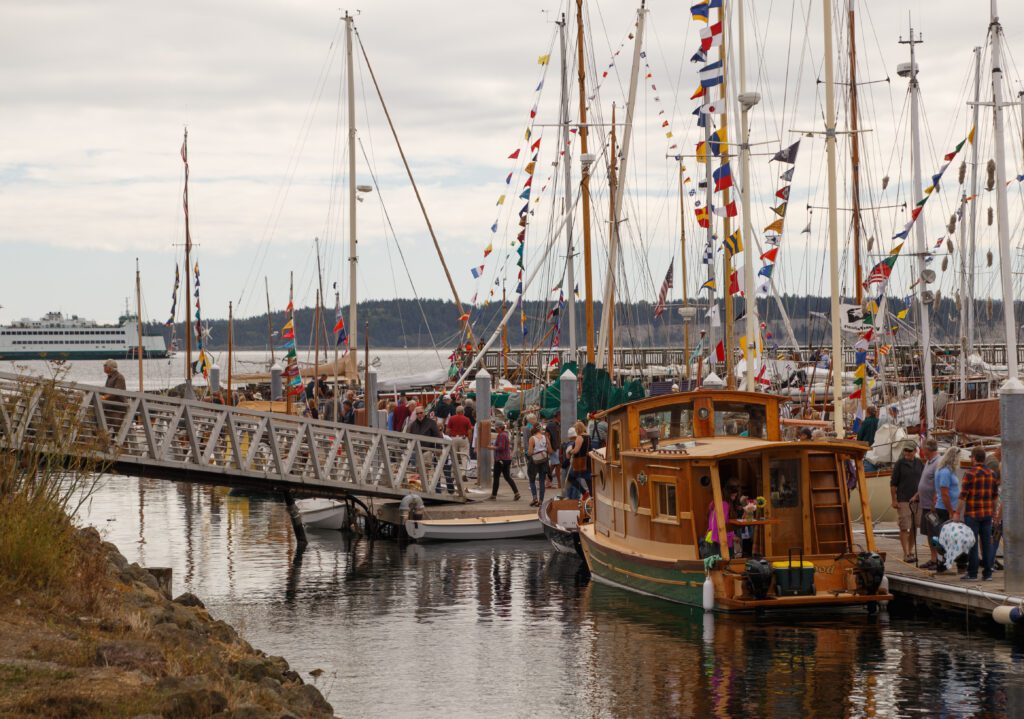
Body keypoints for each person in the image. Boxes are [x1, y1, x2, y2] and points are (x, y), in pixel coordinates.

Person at [957, 447, 1000, 582]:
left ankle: (972, 573)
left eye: (971, 457)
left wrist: (956, 512)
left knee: (973, 543)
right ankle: (987, 574)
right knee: (987, 543)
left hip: (972, 514)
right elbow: (995, 496)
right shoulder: (992, 473)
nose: (970, 459)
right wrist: (994, 512)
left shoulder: (969, 474)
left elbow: (963, 496)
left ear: (974, 458)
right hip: (987, 513)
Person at [890, 444, 924, 563]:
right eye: (906, 451)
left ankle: (910, 551)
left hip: (918, 499)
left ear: (915, 451)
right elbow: (893, 483)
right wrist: (894, 500)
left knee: (916, 526)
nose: (907, 453)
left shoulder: (919, 463)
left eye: (910, 451)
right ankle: (905, 553)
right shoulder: (899, 464)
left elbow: (924, 480)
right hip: (903, 499)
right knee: (905, 526)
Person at [911, 438, 940, 569]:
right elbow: (925, 482)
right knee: (928, 533)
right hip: (925, 505)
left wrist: (935, 501)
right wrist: (917, 495)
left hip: (932, 507)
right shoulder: (929, 462)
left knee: (935, 534)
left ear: (928, 449)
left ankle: (939, 559)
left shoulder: (938, 462)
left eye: (923, 448)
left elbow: (938, 484)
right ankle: (933, 558)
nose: (922, 450)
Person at [933, 447, 961, 565]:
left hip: (948, 507)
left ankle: (945, 561)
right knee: (945, 536)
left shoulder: (948, 470)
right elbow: (944, 493)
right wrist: (951, 511)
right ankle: (942, 562)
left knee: (947, 536)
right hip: (945, 508)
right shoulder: (945, 472)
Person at [489, 421, 520, 501]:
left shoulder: (502, 435)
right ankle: (516, 493)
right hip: (506, 459)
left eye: (496, 428)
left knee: (496, 477)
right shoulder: (504, 434)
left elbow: (501, 447)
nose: (495, 429)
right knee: (507, 477)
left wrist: (492, 447)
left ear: (500, 428)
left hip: (500, 459)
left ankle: (493, 495)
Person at [101, 359, 127, 438]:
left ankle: (122, 447)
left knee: (118, 431)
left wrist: (104, 397)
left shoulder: (119, 377)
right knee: (104, 428)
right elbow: (107, 391)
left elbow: (116, 392)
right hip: (109, 408)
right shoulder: (109, 377)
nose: (103, 367)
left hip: (117, 409)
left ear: (110, 368)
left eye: (105, 366)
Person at [526, 423, 551, 507]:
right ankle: (541, 501)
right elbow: (550, 450)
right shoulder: (545, 438)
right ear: (540, 429)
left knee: (532, 479)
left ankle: (535, 498)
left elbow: (529, 452)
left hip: (534, 461)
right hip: (544, 460)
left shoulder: (532, 438)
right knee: (542, 481)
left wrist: (535, 452)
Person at [545, 414, 561, 490]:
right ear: (557, 416)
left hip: (556, 447)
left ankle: (548, 481)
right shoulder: (552, 424)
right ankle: (559, 483)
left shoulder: (556, 424)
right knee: (557, 465)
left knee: (554, 465)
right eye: (560, 416)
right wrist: (550, 448)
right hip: (554, 448)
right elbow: (547, 436)